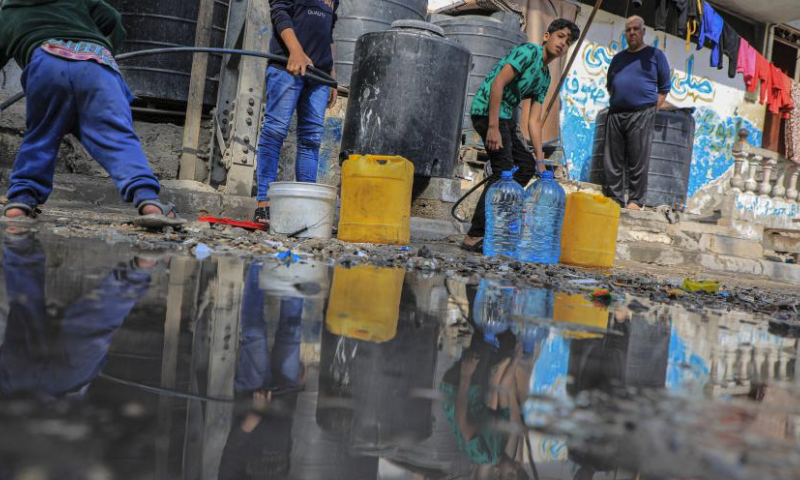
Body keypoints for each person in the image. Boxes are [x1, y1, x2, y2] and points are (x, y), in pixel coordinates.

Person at [0, 0, 184, 228]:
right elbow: (113, 20)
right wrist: (104, 48)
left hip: (47, 64)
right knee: (117, 138)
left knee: (41, 137)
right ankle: (149, 202)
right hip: (96, 65)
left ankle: (20, 203)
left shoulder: (8, 13)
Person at [462, 18, 580, 253]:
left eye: (568, 42)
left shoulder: (545, 77)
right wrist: (493, 127)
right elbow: (498, 84)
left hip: (506, 118)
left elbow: (534, 122)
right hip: (487, 111)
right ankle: (474, 235)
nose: (563, 44)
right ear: (547, 36)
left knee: (525, 166)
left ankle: (497, 218)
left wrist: (539, 161)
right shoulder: (528, 52)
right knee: (503, 170)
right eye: (560, 37)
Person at [253, 0, 339, 226]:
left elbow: (328, 32)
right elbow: (280, 12)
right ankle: (264, 203)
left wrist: (331, 75)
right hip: (287, 66)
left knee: (311, 140)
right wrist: (296, 51)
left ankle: (304, 206)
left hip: (319, 76)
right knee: (275, 132)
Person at [603, 15, 672, 210]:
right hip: (616, 113)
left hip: (642, 113)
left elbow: (664, 88)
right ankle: (615, 199)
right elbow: (611, 86)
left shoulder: (655, 55)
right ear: (625, 33)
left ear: (643, 32)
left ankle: (635, 200)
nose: (632, 32)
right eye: (628, 29)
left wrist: (650, 109)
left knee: (638, 159)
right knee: (612, 160)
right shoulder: (618, 59)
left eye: (636, 29)